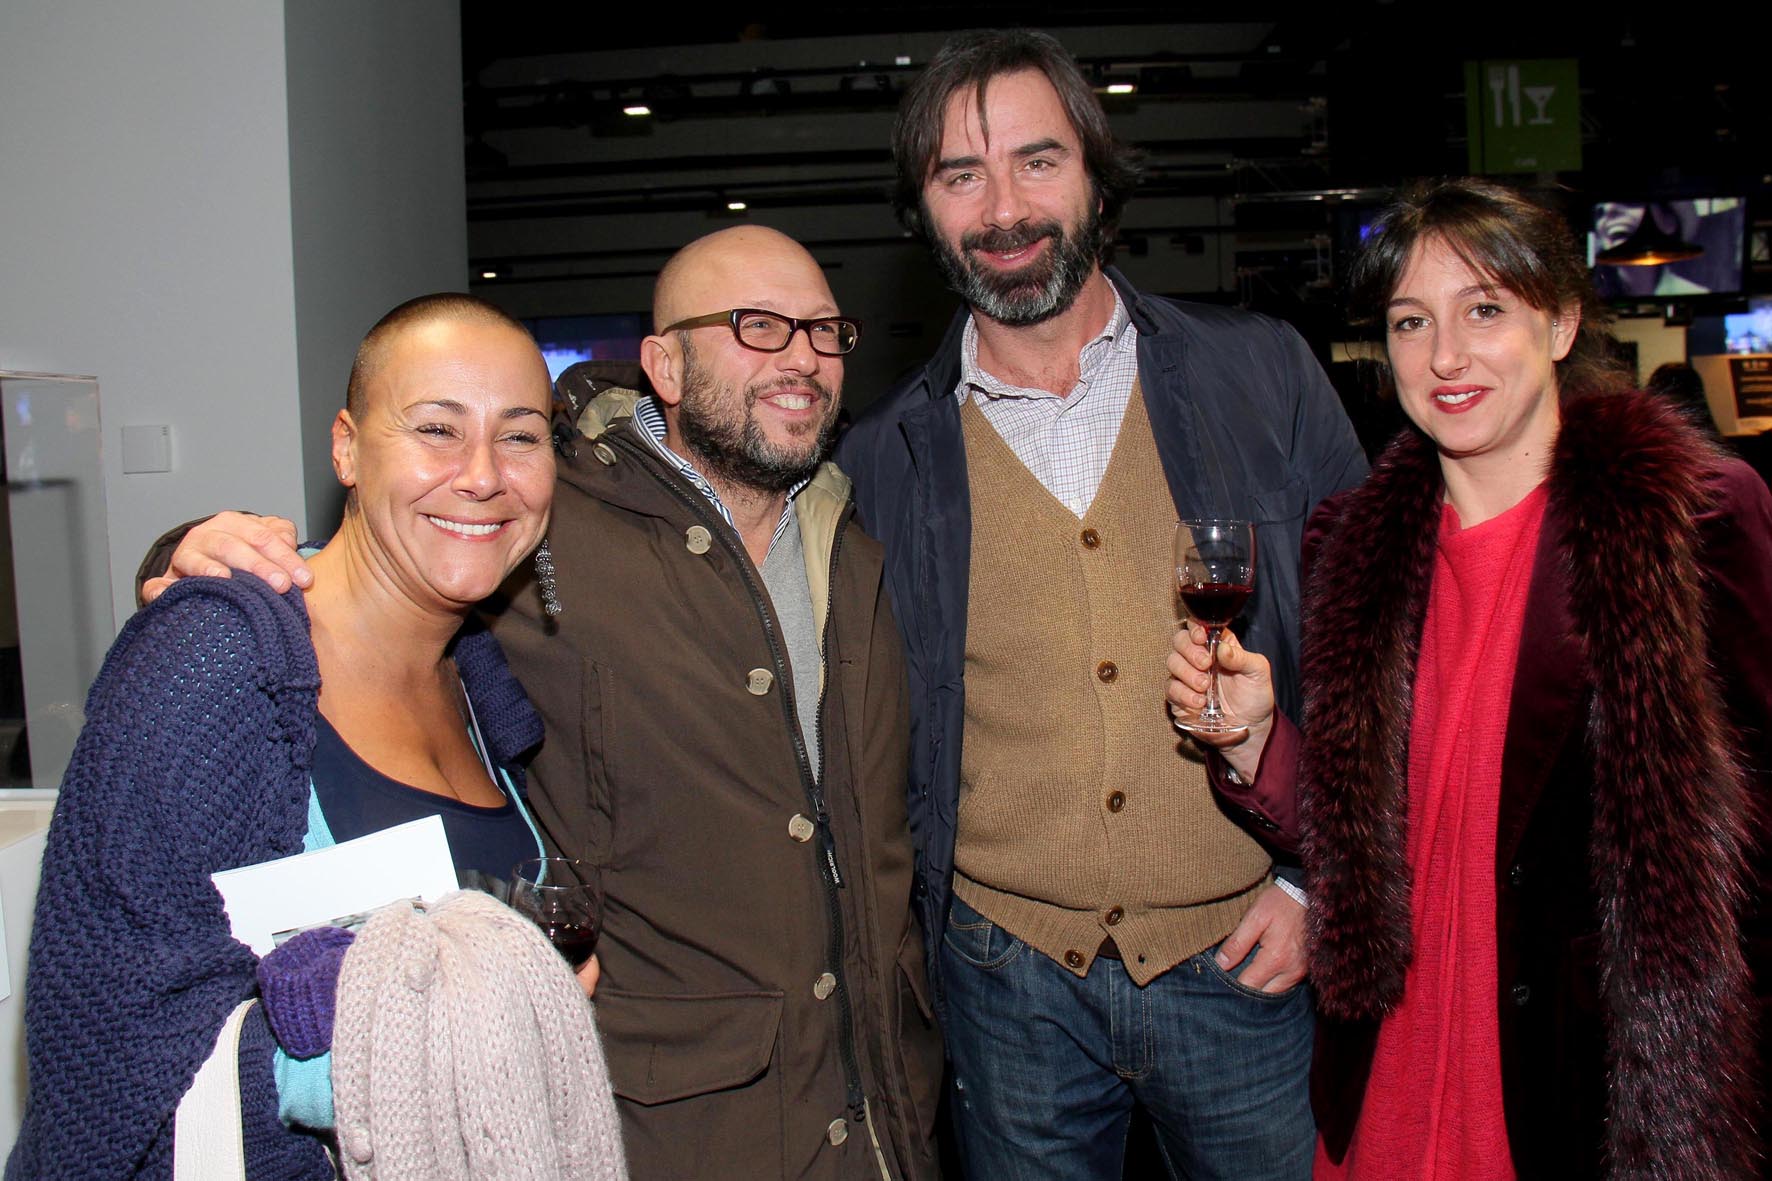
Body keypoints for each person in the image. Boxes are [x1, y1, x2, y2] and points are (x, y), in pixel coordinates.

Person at [139, 227, 943, 1179]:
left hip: (879, 1113)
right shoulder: (548, 525)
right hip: (674, 1129)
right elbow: (397, 559)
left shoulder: (856, 529)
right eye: (757, 326)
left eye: (822, 331)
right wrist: (198, 555)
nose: (801, 356)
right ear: (664, 365)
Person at [834, 29, 1368, 1179]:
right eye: (958, 175)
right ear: (921, 209)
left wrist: (1315, 878)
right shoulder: (878, 460)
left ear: (1094, 175)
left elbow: (1373, 652)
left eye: (1037, 160)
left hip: (1242, 953)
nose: (1004, 208)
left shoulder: (1259, 372)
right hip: (1003, 980)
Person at [1168, 178, 1772, 1177]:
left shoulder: (1685, 522)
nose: (1443, 355)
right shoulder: (1354, 549)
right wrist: (1252, 741)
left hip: (1581, 1091)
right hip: (1388, 1080)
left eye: (1482, 309)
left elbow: (1752, 845)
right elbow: (1363, 848)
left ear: (1562, 319)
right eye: (1411, 321)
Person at [8, 294, 628, 1177]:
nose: (484, 473)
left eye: (520, 435)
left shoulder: (481, 680)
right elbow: (108, 1046)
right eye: (437, 428)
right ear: (345, 446)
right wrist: (448, 1036)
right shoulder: (219, 660)